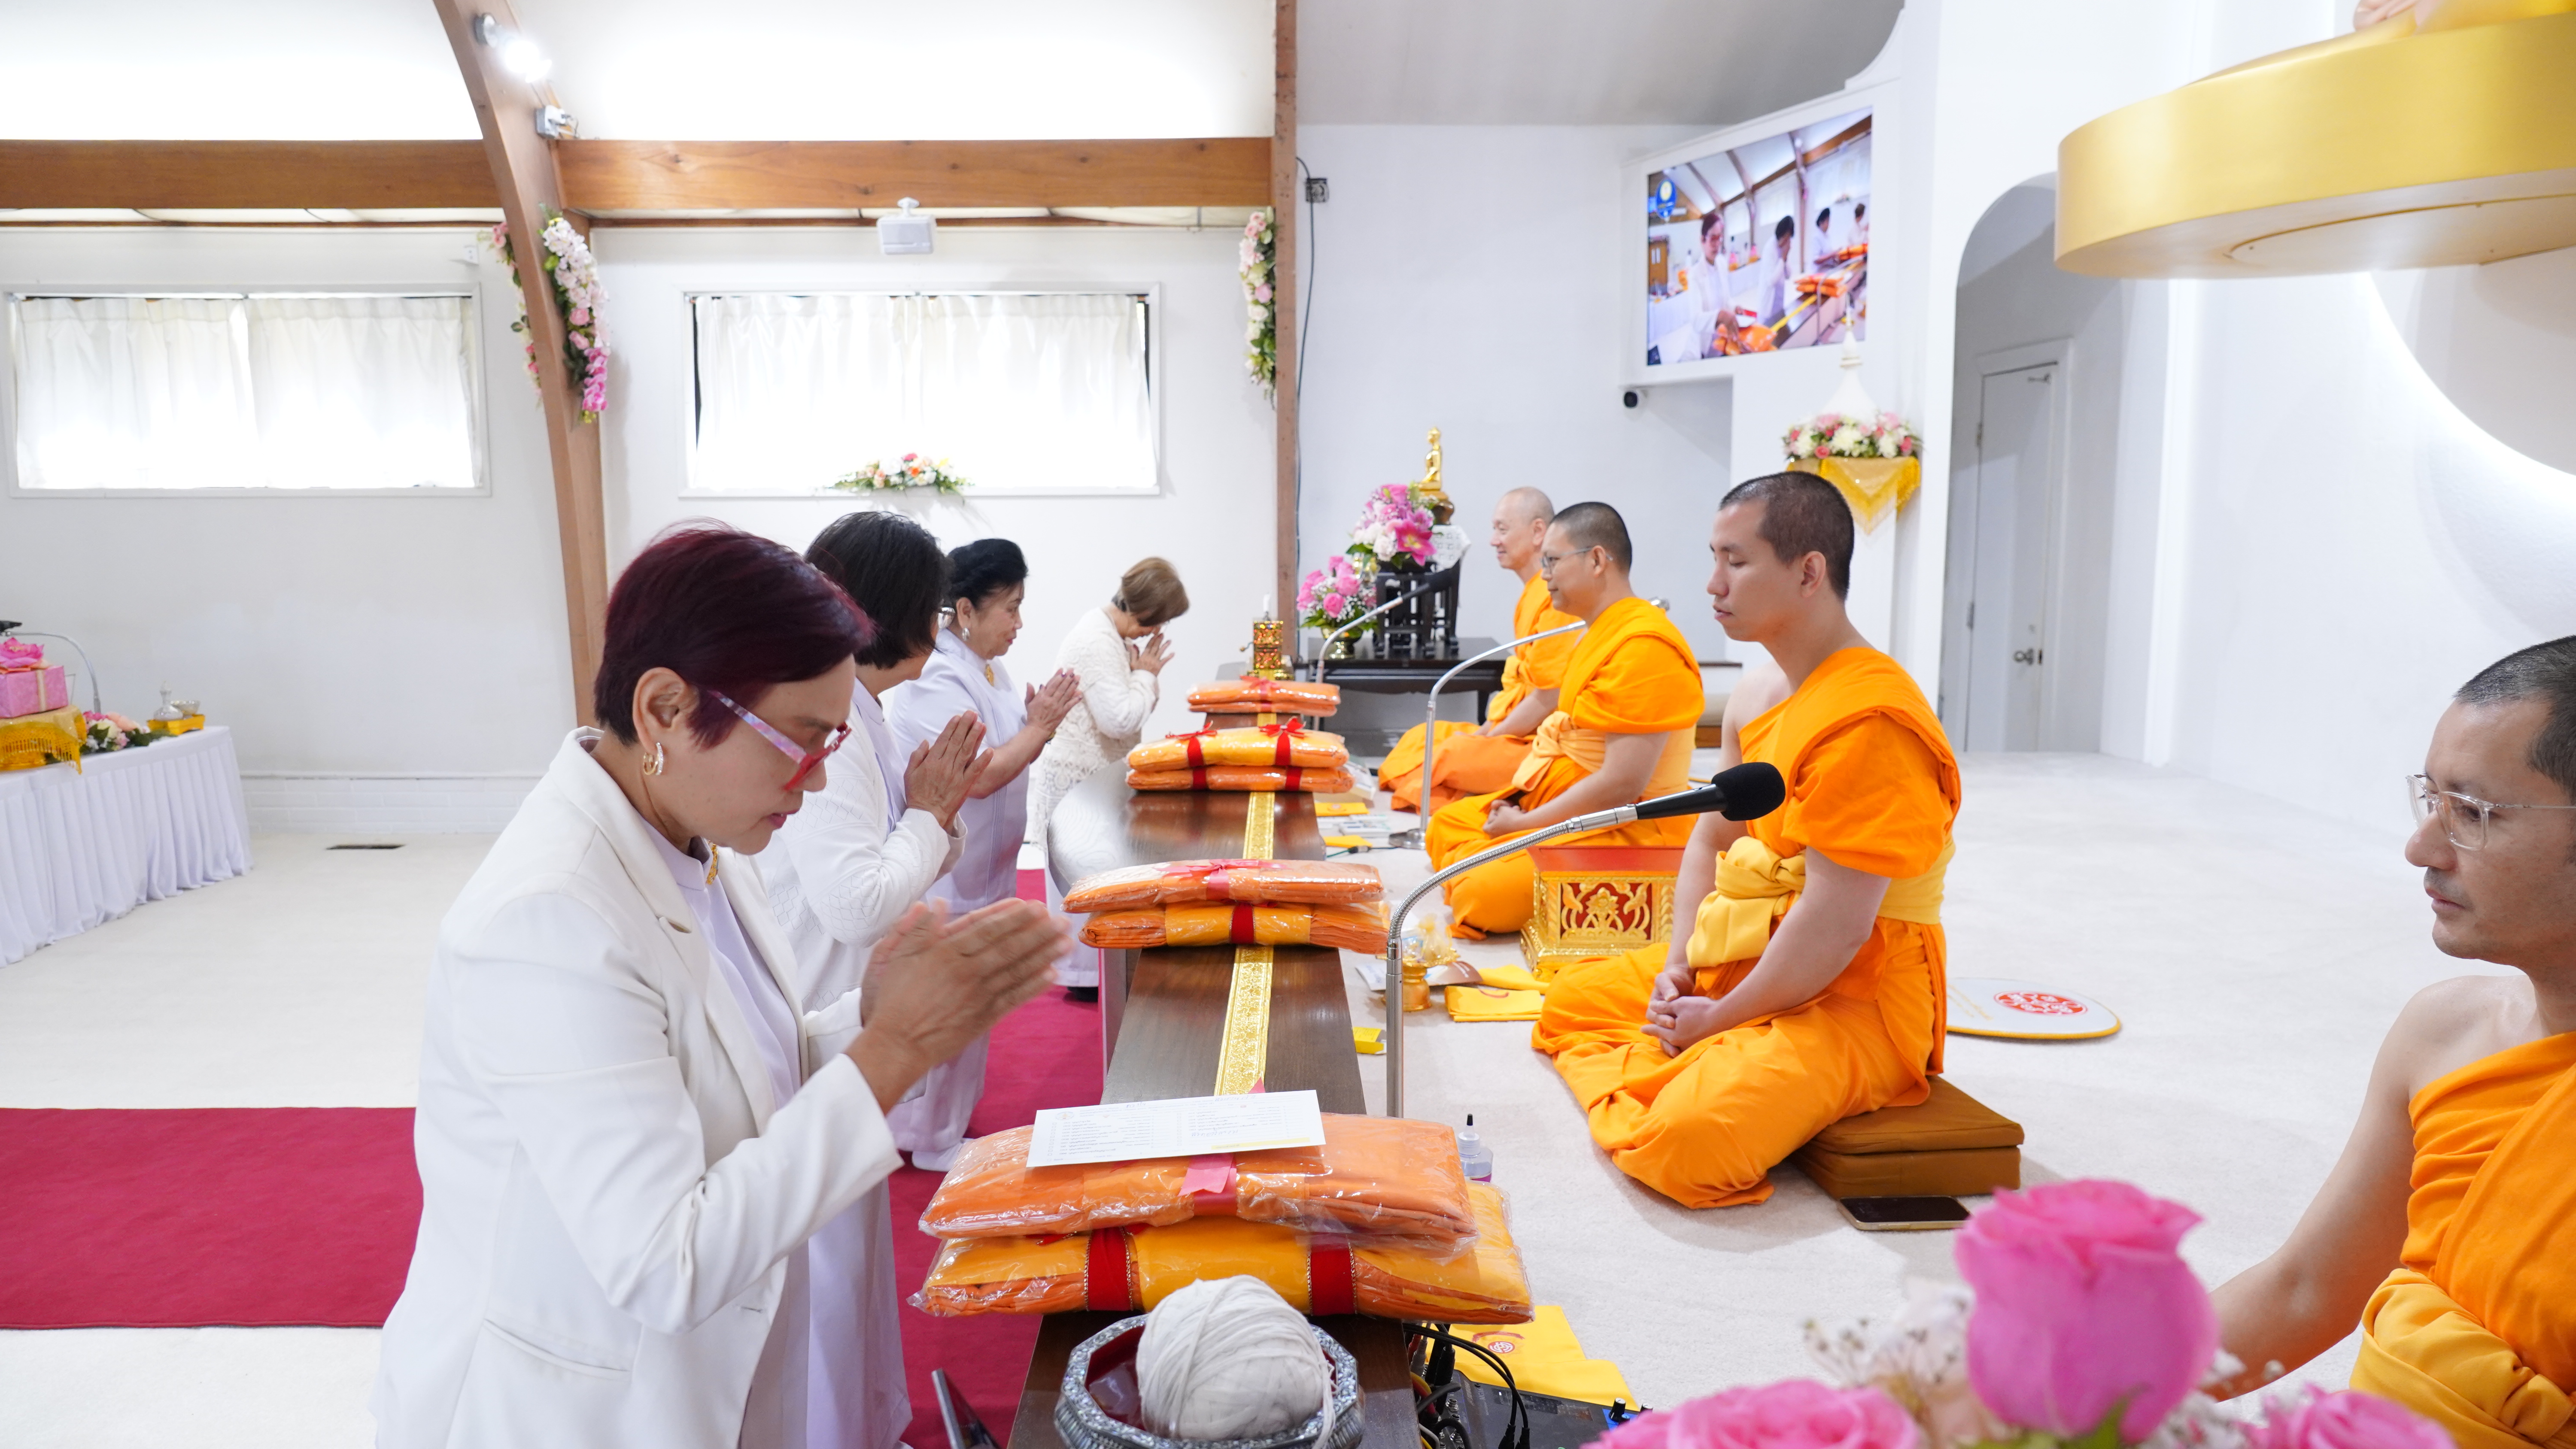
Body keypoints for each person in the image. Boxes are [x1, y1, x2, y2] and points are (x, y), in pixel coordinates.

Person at [372, 524, 1066, 1449]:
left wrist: (865, 1016)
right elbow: (670, 1258)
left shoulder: (696, 833)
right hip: (570, 1406)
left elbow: (732, 1065)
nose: (817, 784)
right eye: (805, 741)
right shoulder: (547, 919)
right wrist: (892, 1054)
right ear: (664, 707)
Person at [1530, 472, 1960, 1208]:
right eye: (1713, 557)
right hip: (1750, 949)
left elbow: (1837, 924)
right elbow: (1709, 842)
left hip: (1853, 990)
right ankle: (1707, 1052)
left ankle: (1710, 1059)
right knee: (1568, 1003)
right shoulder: (1759, 692)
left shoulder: (1871, 720)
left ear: (1809, 572)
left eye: (1735, 561)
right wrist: (1678, 967)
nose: (1712, 583)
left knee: (1685, 1143)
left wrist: (1717, 1018)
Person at [2209, 637, 2576, 1447]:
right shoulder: (2443, 1030)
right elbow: (2306, 1288)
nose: (2423, 849)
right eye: (2431, 800)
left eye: (2474, 814)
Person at [756, 509, 987, 1449]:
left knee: (849, 1248)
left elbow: (919, 848)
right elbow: (857, 901)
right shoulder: (842, 724)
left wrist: (937, 816)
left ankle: (855, 1420)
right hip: (814, 1003)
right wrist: (932, 818)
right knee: (822, 1257)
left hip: (845, 1011)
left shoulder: (871, 714)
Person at [883, 538, 1079, 1170]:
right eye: (1011, 609)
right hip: (950, 873)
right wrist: (1038, 727)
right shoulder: (941, 673)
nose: (1019, 625)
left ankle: (946, 1123)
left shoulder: (983, 668)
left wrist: (1030, 724)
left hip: (985, 868)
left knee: (973, 1003)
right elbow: (983, 774)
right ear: (965, 610)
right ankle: (928, 1135)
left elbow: (1008, 748)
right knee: (950, 1002)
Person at [1421, 502, 1701, 939]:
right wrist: (1522, 808)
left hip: (1629, 827)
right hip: (1563, 789)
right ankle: (1502, 849)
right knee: (1446, 825)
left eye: (1552, 561)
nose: (1544, 573)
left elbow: (1621, 787)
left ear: (1596, 560)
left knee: (1481, 892)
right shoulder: (1599, 630)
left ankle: (1502, 856)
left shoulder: (1644, 646)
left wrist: (1525, 825)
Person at [1028, 556, 1189, 996]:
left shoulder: (1107, 632)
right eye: (1160, 623)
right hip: (1079, 780)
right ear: (1145, 612)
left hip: (1090, 776)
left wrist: (1140, 676)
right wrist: (1147, 676)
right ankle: (1087, 977)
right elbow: (1119, 719)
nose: (1157, 634)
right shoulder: (1097, 641)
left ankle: (1094, 973)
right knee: (1084, 875)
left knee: (1097, 873)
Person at [1377, 488, 1580, 814]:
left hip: (1542, 745)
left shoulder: (1555, 598)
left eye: (1502, 529)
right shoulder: (1534, 593)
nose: (1493, 540)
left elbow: (1549, 696)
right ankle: (1465, 788)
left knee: (1448, 755)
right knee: (1421, 737)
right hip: (1516, 731)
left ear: (1538, 532)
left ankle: (1471, 797)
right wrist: (1488, 733)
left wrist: (1489, 738)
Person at [1759, 214, 1797, 328]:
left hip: (1779, 304)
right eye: (1785, 238)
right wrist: (1783, 258)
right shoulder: (1769, 249)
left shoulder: (1783, 249)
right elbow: (1771, 281)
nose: (1787, 242)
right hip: (1768, 307)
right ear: (1780, 235)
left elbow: (1789, 275)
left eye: (1789, 238)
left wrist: (1786, 257)